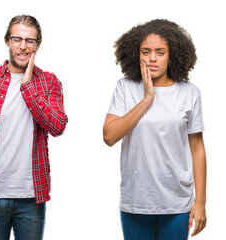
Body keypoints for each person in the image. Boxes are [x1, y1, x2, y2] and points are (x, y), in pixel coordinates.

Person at [0, 15, 67, 240]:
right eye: (17, 39)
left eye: (30, 40)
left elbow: (57, 126)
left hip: (31, 196)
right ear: (7, 41)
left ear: (38, 44)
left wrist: (27, 88)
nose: (23, 46)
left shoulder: (49, 82)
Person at [103, 19, 206, 239]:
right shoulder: (126, 88)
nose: (152, 58)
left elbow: (197, 148)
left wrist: (200, 202)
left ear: (173, 55)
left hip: (177, 202)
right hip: (136, 201)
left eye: (160, 52)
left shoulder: (189, 93)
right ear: (136, 54)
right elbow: (110, 136)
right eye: (146, 51)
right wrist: (147, 99)